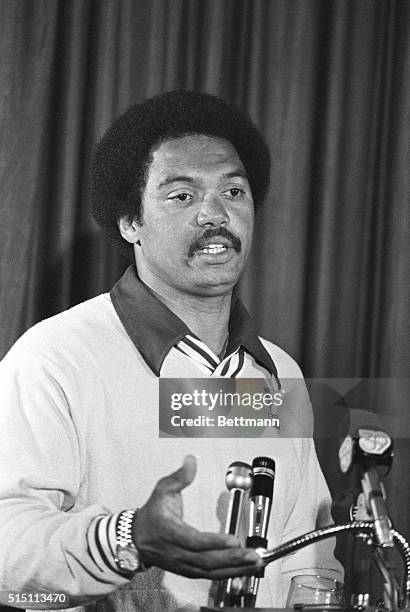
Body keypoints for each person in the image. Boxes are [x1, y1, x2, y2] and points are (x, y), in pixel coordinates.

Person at [0, 90, 342, 611]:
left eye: (233, 191)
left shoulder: (277, 372)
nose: (214, 214)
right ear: (130, 222)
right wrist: (129, 538)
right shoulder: (53, 359)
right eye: (182, 195)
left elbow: (307, 558)